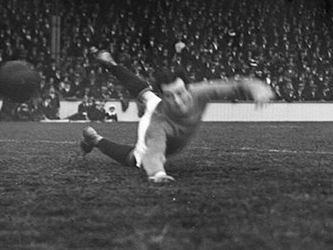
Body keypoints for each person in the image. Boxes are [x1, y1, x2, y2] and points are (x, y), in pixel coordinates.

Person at [79, 50, 273, 184]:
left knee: (146, 95)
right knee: (136, 159)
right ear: (163, 97)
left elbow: (236, 85)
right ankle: (96, 140)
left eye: (180, 93)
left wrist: (258, 87)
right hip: (157, 115)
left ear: (188, 88)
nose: (178, 101)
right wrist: (158, 173)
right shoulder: (157, 122)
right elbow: (153, 153)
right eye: (170, 96)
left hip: (157, 101)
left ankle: (112, 65)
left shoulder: (200, 92)